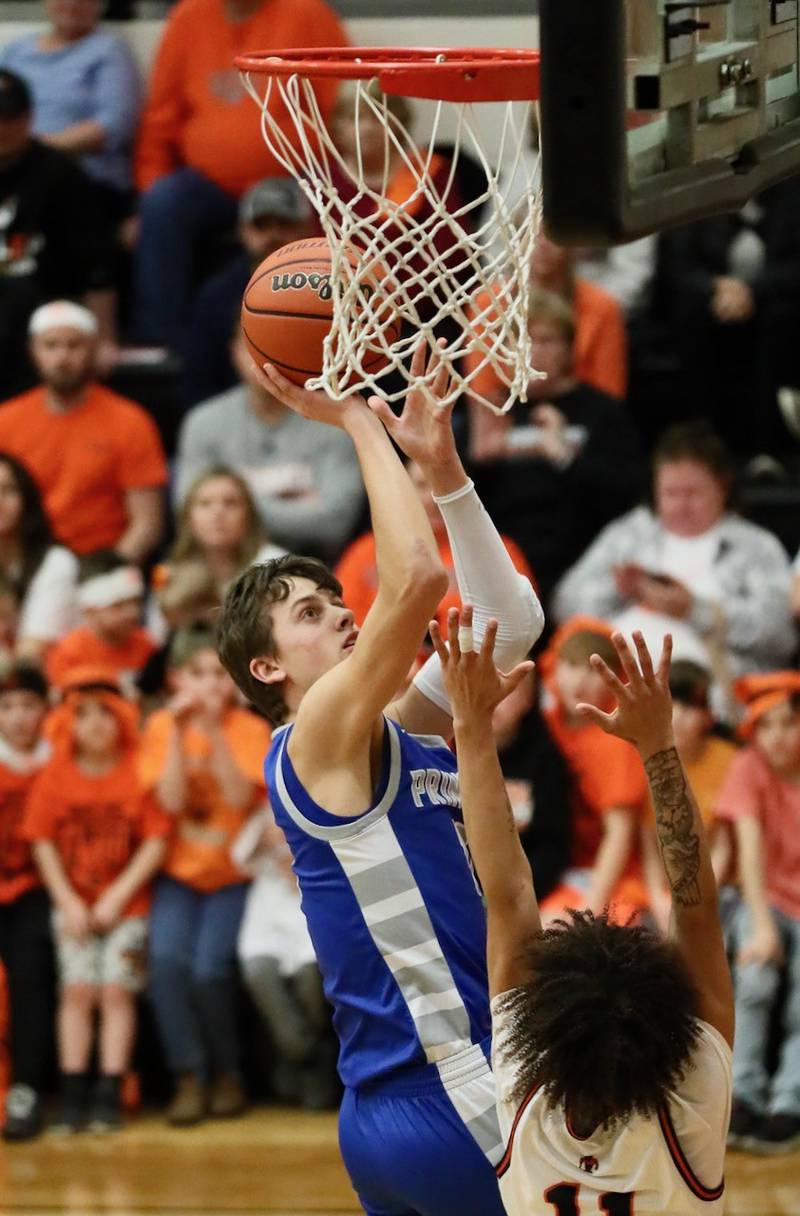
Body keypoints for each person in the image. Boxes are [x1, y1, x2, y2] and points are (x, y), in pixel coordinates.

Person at [217, 340, 544, 1216]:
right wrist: (358, 418)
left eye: (335, 600)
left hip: (390, 1107)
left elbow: (509, 625)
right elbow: (419, 579)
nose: (343, 613)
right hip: (455, 1089)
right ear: (266, 670)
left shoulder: (387, 731)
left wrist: (445, 473)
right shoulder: (311, 734)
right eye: (310, 614)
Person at [431, 616, 733, 1213]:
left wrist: (468, 725)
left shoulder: (523, 1089)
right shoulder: (690, 1099)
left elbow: (509, 894)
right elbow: (695, 911)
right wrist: (659, 745)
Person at [133, 0, 347, 349]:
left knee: (337, 206)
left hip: (295, 178)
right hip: (208, 185)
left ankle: (325, 337)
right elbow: (160, 119)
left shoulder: (309, 14)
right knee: (161, 202)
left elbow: (341, 109)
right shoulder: (188, 17)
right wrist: (148, 188)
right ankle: (161, 343)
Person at [23, 668, 170, 1133]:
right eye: (83, 716)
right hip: (75, 907)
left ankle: (110, 1090)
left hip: (126, 907)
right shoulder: (55, 776)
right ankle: (72, 1093)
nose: (95, 724)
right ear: (67, 724)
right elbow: (41, 840)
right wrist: (67, 901)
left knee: (115, 991)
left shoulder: (136, 770)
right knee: (77, 991)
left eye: (105, 715)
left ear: (123, 720)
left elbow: (155, 841)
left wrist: (118, 895)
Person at [138, 626, 270, 1126]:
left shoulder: (249, 729)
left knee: (210, 971)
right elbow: (170, 803)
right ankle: (188, 1075)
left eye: (217, 675)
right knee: (167, 965)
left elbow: (239, 799)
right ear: (175, 680)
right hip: (178, 874)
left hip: (232, 874)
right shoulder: (158, 729)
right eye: (196, 675)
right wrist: (175, 731)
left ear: (233, 682)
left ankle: (228, 1074)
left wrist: (213, 732)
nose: (208, 686)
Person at [554, 420, 795, 682]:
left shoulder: (755, 545)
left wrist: (694, 609)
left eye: (693, 494)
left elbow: (780, 635)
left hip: (713, 691)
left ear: (722, 488)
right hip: (618, 687)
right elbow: (564, 605)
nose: (681, 506)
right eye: (670, 493)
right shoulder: (630, 533)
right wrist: (619, 589)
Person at [468, 291, 642, 600]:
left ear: (569, 348)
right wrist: (480, 462)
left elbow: (626, 494)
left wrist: (564, 457)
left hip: (582, 556)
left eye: (545, 340)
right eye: (520, 339)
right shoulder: (493, 409)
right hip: (506, 559)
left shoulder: (600, 411)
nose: (531, 351)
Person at [0, 301, 168, 558]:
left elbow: (147, 524)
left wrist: (103, 575)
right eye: (51, 345)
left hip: (103, 565)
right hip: (23, 568)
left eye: (73, 345)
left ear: (93, 349)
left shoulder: (130, 421)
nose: (62, 357)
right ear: (32, 351)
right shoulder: (6, 420)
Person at [175, 338, 365, 561]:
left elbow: (334, 524)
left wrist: (234, 505)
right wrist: (295, 502)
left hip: (314, 567)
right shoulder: (204, 422)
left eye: (275, 343)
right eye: (253, 345)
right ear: (234, 351)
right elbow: (189, 513)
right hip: (218, 569)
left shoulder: (333, 424)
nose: (265, 359)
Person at [714, 672, 800, 1153]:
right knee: (756, 980)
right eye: (765, 727)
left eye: (787, 724)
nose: (777, 737)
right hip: (762, 896)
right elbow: (748, 854)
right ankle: (742, 1095)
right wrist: (763, 927)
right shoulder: (748, 767)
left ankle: (790, 1100)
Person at [0, 69, 117, 397]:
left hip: (45, 311)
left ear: (29, 117)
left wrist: (105, 338)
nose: (1, 127)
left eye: (9, 117)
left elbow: (96, 266)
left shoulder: (60, 175)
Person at [537, 617, 650, 924]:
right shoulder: (543, 726)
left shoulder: (615, 741)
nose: (579, 681)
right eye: (571, 666)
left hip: (612, 884)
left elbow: (619, 834)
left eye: (593, 670)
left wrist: (589, 910)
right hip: (555, 873)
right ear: (553, 667)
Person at [335, 458, 534, 630]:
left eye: (440, 485)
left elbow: (521, 626)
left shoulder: (497, 551)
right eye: (421, 485)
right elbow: (346, 621)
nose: (432, 498)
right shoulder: (366, 552)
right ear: (404, 491)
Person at [232, 808, 337, 1110]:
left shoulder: (322, 807)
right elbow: (239, 859)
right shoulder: (263, 818)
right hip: (267, 915)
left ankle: (305, 1069)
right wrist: (266, 836)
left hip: (311, 906)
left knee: (311, 982)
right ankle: (307, 1056)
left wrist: (303, 862)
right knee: (258, 973)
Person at [0, 0, 142, 220]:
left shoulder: (108, 50)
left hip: (82, 177)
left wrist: (31, 151)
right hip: (12, 169)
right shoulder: (16, 51)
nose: (72, 3)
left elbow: (113, 125)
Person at [184, 177, 314, 405]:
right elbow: (200, 379)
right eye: (261, 225)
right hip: (237, 416)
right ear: (242, 230)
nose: (273, 235)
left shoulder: (332, 290)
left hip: (320, 413)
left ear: (306, 228)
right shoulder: (216, 296)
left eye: (284, 224)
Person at [465, 233, 628, 407]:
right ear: (515, 240)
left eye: (551, 236)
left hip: (583, 417)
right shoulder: (487, 303)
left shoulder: (603, 306)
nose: (543, 246)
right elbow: (482, 396)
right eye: (532, 235)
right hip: (506, 415)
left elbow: (610, 398)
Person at [642, 660, 738, 931]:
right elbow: (649, 846)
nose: (679, 716)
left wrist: (697, 901)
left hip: (719, 888)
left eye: (690, 706)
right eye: (672, 705)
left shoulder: (728, 760)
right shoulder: (645, 756)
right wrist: (660, 899)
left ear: (708, 715)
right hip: (662, 890)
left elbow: (723, 846)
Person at [0, 663, 52, 1141]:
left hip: (38, 889)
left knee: (30, 972)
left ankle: (26, 1088)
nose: (18, 717)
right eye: (8, 706)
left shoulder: (56, 762)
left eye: (28, 706)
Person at [152, 466, 284, 639]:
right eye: (205, 504)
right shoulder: (167, 573)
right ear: (188, 517)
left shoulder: (274, 565)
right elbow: (156, 639)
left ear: (249, 515)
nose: (218, 513)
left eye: (230, 503)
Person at [0, 453, 79, 664]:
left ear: (26, 499)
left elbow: (29, 659)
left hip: (46, 685)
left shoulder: (57, 564)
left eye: (8, 490)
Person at [46, 552, 156, 692]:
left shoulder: (146, 645)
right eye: (118, 606)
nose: (132, 613)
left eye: (136, 603)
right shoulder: (69, 653)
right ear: (90, 610)